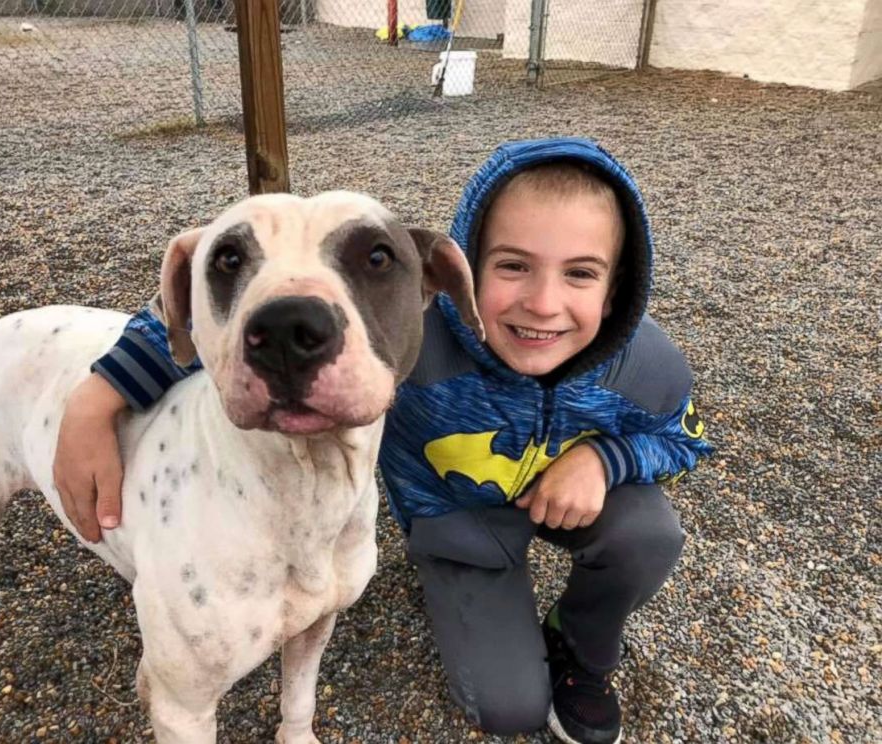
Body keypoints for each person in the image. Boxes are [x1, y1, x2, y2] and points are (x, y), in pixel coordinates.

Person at [53, 137, 712, 744]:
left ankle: (583, 641)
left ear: (616, 287)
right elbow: (207, 319)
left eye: (580, 274)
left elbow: (683, 436)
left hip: (571, 499)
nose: (542, 303)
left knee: (648, 532)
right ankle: (472, 596)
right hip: (464, 528)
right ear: (456, 273)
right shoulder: (407, 344)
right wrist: (95, 398)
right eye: (512, 266)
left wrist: (605, 457)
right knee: (508, 710)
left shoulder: (645, 365)